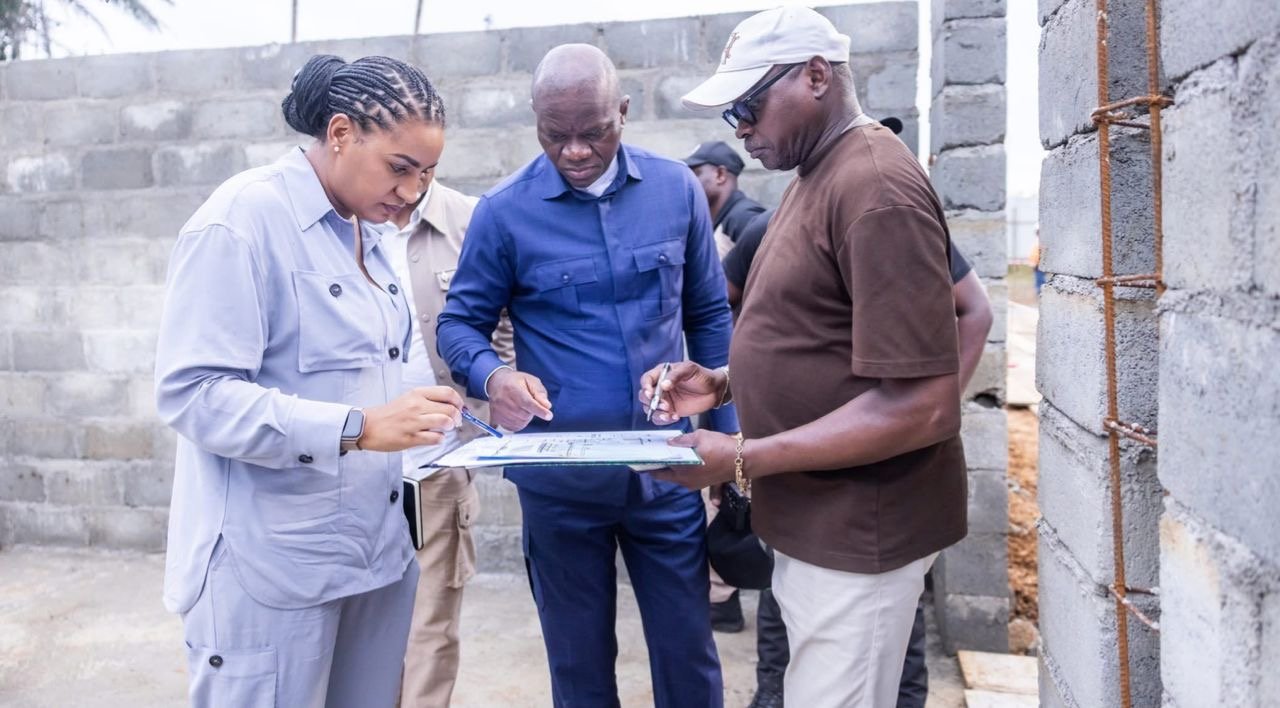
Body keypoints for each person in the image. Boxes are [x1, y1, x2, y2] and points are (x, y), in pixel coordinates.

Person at [642, 7, 969, 706]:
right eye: (731, 114)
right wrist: (723, 383)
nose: (740, 129)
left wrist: (740, 456)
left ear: (817, 76)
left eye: (748, 106)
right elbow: (821, 339)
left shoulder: (876, 188)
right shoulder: (817, 174)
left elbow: (924, 405)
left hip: (860, 532)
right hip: (815, 523)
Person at [154, 54, 464, 708]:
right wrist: (359, 428)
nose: (412, 192)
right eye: (400, 168)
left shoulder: (367, 229)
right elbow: (195, 394)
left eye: (427, 173)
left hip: (373, 559)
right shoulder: (241, 220)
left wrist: (432, 413)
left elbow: (373, 370)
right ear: (342, 133)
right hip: (271, 572)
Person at [436, 44, 736, 708]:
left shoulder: (675, 190)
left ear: (622, 112)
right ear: (535, 120)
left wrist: (728, 441)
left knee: (689, 655)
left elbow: (710, 317)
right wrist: (495, 377)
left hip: (668, 471)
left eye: (594, 132)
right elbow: (458, 326)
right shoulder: (504, 213)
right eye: (555, 134)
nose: (574, 151)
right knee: (579, 666)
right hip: (560, 488)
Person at [729, 206, 992, 708]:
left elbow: (972, 312)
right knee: (794, 644)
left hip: (860, 512)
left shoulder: (878, 206)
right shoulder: (785, 214)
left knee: (884, 653)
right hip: (796, 503)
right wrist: (729, 383)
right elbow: (788, 341)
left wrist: (919, 415)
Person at [381, 181, 516, 707]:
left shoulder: (472, 219)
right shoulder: (338, 218)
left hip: (435, 466)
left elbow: (503, 323)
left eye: (424, 167)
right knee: (358, 628)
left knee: (430, 628)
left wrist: (490, 398)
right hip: (353, 465)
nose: (409, 184)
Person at [683, 139, 765, 633]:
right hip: (722, 375)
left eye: (695, 171)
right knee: (723, 481)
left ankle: (726, 597)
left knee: (734, 482)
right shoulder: (717, 221)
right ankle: (724, 596)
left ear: (720, 174)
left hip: (741, 376)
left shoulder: (747, 221)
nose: (688, 181)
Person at [683, 140, 767, 259]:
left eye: (693, 174)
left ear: (720, 175)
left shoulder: (743, 217)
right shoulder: (720, 221)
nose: (686, 182)